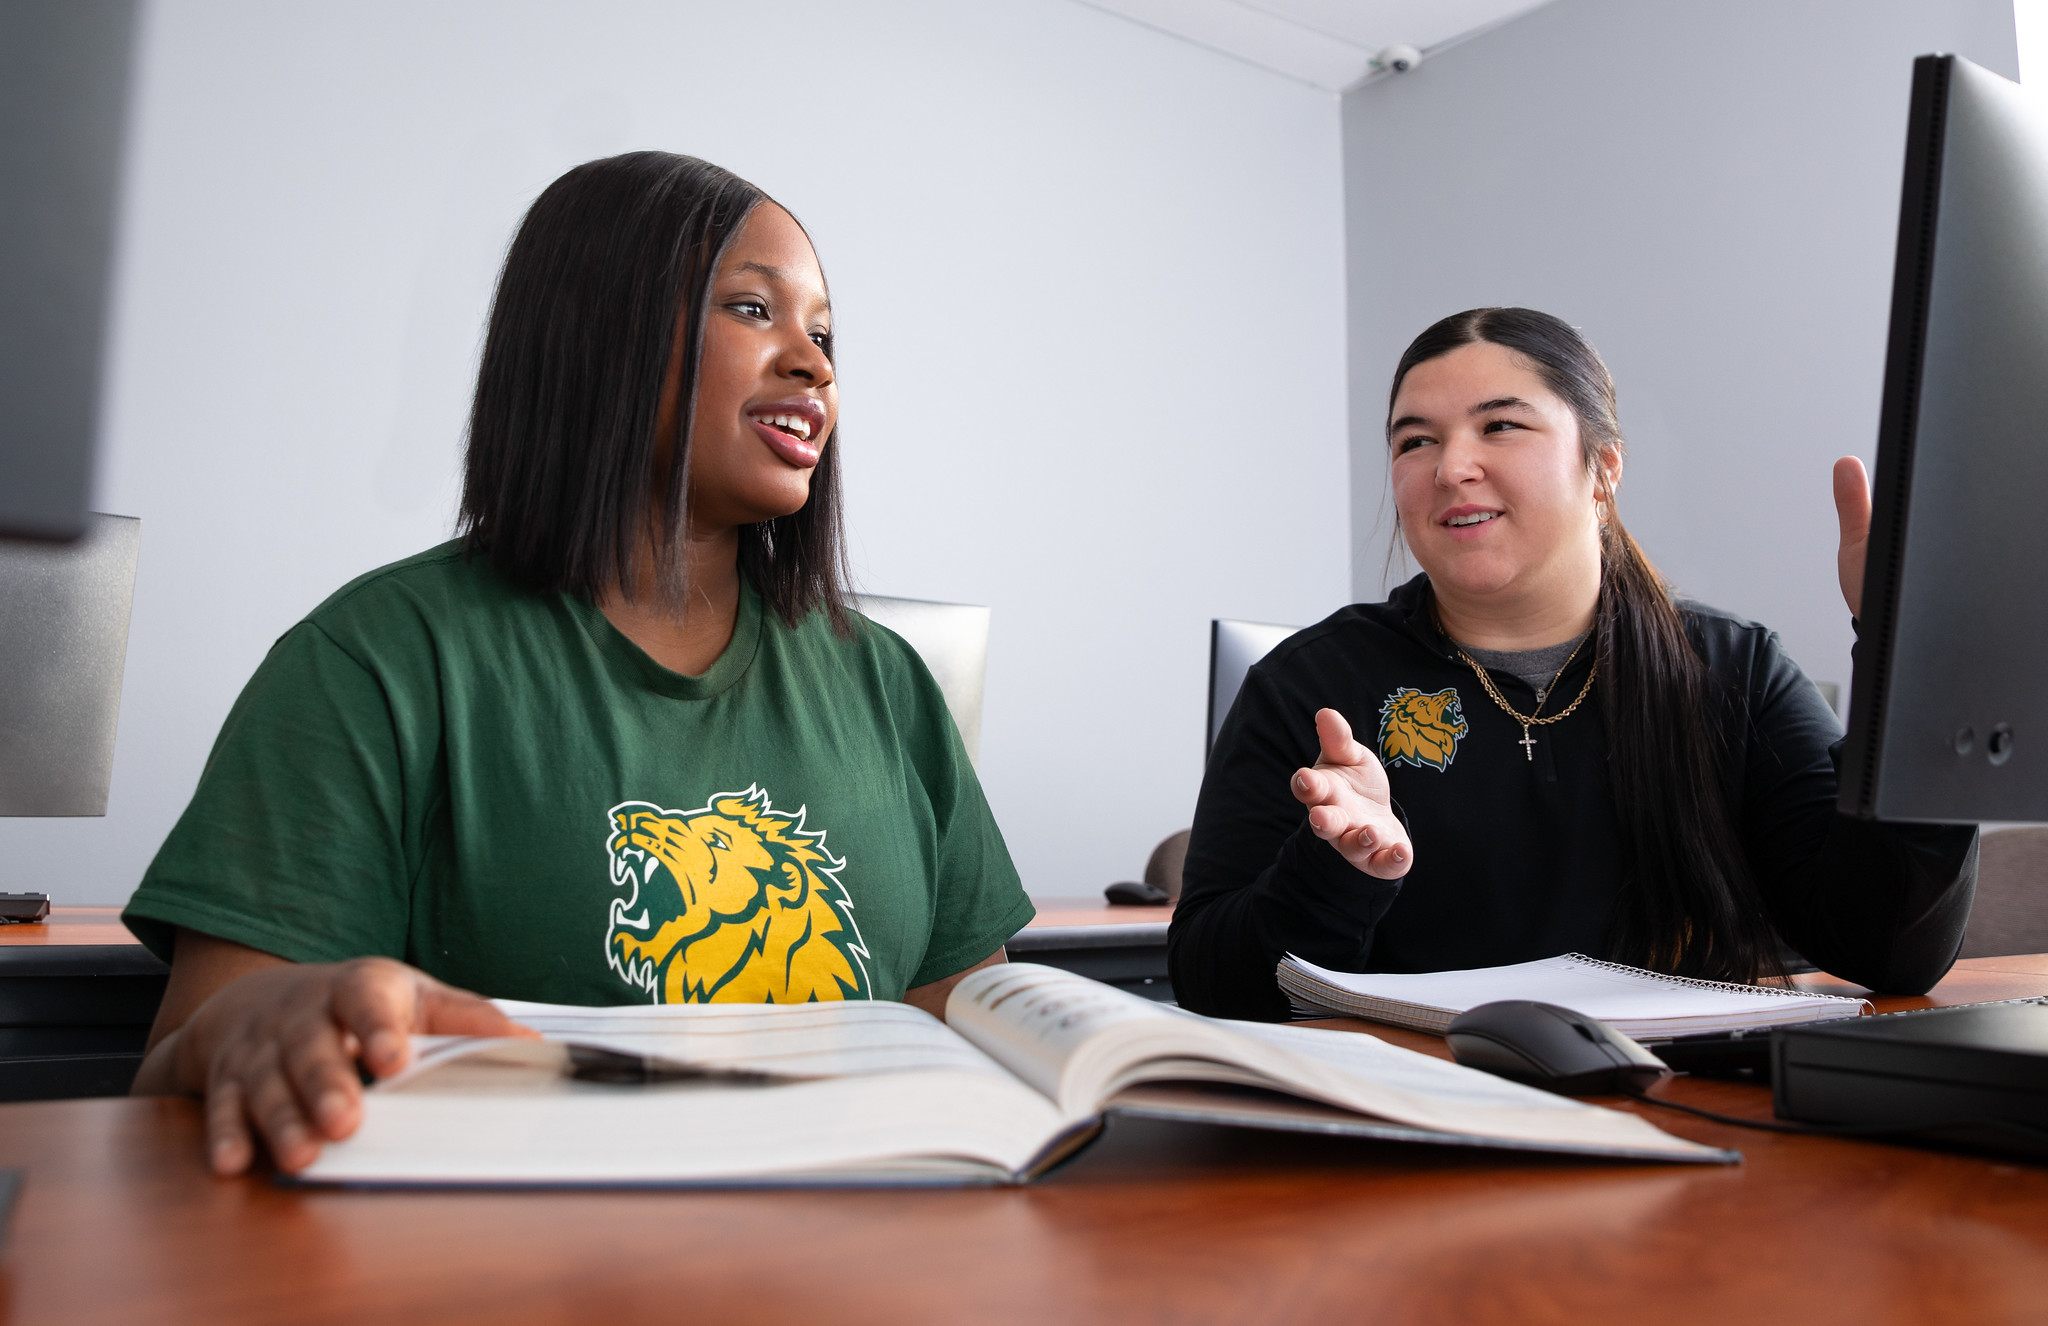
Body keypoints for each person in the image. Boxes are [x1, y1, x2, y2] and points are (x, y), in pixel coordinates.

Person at [125, 153, 1033, 1173]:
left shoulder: (890, 684)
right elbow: (183, 1066)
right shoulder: (376, 660)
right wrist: (259, 1025)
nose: (813, 366)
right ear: (599, 333)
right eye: (752, 309)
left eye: (823, 336)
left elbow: (977, 1049)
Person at [1168, 307, 1977, 1022]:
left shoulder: (1734, 671)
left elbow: (1890, 951)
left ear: (1604, 467)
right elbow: (1209, 980)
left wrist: (1915, 659)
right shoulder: (1311, 686)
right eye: (1416, 441)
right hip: (1419, 1114)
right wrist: (1333, 867)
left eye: (1500, 426)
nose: (1451, 468)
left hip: (1685, 1112)